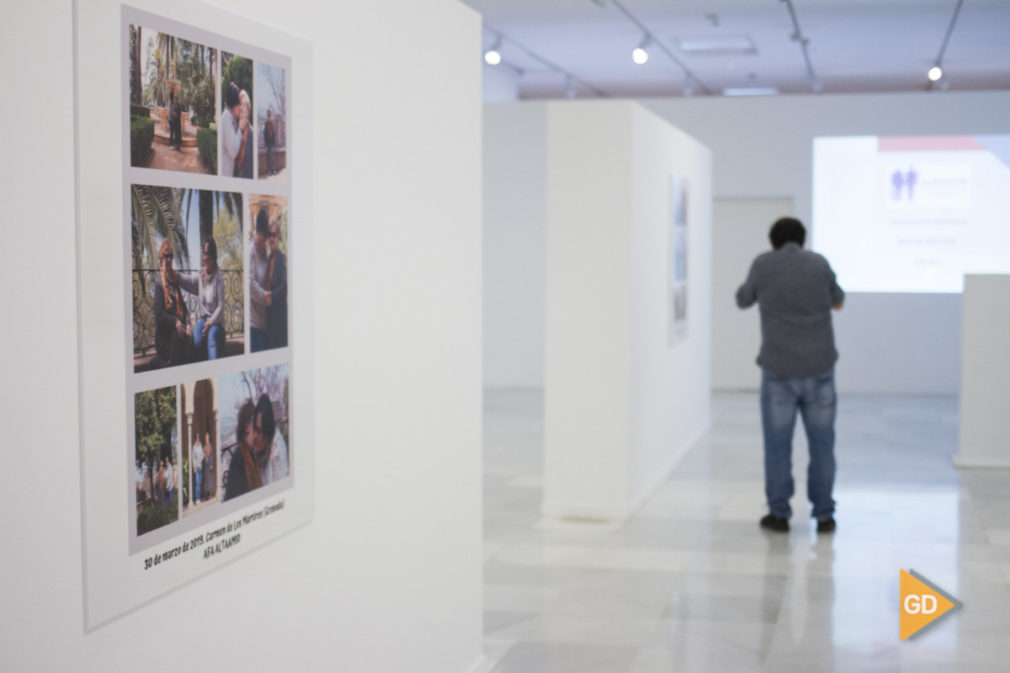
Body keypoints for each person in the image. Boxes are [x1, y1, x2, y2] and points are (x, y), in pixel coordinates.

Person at [736, 217, 844, 534]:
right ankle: (824, 514)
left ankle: (779, 513)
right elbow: (838, 301)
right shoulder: (819, 264)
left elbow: (742, 300)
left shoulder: (763, 265)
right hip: (820, 368)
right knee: (823, 445)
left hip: (779, 370)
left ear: (773, 240)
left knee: (777, 446)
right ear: (803, 239)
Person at [178, 238, 225, 360]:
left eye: (207, 254)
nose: (204, 257)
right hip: (203, 320)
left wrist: (211, 323)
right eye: (203, 254)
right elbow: (190, 281)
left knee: (212, 337)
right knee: (197, 341)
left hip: (216, 323)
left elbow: (221, 306)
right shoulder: (201, 275)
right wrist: (177, 276)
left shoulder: (219, 277)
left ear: (213, 256)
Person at [152, 239, 191, 367]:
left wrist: (189, 323)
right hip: (165, 337)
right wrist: (176, 321)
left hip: (177, 332)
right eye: (166, 256)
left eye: (171, 256)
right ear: (161, 258)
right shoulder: (158, 283)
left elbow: (184, 309)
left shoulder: (174, 282)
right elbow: (159, 316)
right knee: (179, 336)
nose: (168, 259)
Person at [224, 400, 262, 501]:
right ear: (247, 427)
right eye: (255, 428)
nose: (257, 435)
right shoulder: (239, 460)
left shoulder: (250, 454)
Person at [249, 209, 271, 352]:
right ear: (261, 234)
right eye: (267, 236)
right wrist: (265, 297)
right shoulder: (252, 250)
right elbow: (250, 283)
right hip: (255, 326)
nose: (268, 239)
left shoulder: (266, 251)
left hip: (266, 324)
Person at [254, 393, 289, 485]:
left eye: (259, 431)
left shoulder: (277, 448)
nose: (255, 436)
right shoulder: (258, 445)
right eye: (255, 429)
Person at [265, 218, 288, 349]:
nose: (271, 238)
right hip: (269, 321)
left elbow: (285, 285)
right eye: (269, 235)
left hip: (279, 321)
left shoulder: (281, 258)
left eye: (273, 235)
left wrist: (271, 297)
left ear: (278, 236)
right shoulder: (268, 259)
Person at [220, 82, 246, 178]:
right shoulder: (226, 119)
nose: (241, 108)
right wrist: (240, 129)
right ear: (234, 104)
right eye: (239, 104)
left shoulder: (230, 118)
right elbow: (233, 152)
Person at [234, 89, 255, 178]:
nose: (242, 108)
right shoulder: (233, 130)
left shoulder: (253, 133)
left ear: (248, 111)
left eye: (245, 105)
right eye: (240, 105)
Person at [192, 432, 204, 505]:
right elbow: (193, 458)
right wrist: (194, 467)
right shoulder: (194, 447)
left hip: (200, 466)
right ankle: (197, 499)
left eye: (198, 437)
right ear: (195, 438)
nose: (198, 438)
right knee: (197, 483)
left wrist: (202, 458)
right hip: (196, 467)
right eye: (197, 437)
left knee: (199, 482)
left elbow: (202, 454)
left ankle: (199, 498)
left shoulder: (200, 446)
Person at [264, 109, 276, 176]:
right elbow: (264, 134)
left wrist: (273, 142)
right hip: (268, 144)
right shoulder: (266, 124)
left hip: (272, 143)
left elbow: (274, 133)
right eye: (268, 115)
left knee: (273, 157)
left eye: (269, 115)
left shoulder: (272, 123)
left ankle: (273, 170)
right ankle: (269, 170)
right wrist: (266, 143)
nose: (269, 116)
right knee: (268, 157)